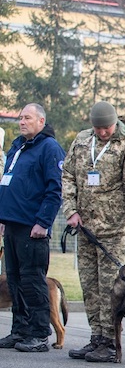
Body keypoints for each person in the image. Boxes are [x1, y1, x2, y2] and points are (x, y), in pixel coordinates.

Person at [62, 101, 125, 363]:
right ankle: (96, 336)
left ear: (115, 124)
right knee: (89, 285)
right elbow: (68, 175)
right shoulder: (82, 140)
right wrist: (70, 211)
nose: (102, 133)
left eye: (106, 128)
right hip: (86, 227)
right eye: (98, 128)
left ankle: (111, 342)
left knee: (112, 288)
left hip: (113, 230)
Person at [0, 103, 64, 352]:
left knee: (32, 281)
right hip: (13, 224)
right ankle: (20, 330)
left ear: (41, 121)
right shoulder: (18, 146)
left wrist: (43, 222)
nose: (22, 122)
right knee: (14, 280)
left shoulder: (49, 148)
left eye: (27, 118)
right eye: (20, 118)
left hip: (32, 226)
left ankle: (39, 333)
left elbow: (55, 188)